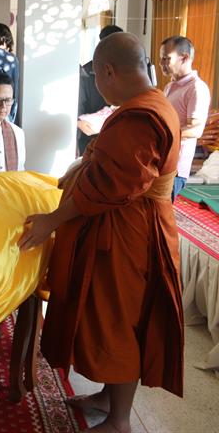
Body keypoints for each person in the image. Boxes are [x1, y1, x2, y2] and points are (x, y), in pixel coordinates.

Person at [18, 32, 183, 433]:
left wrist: (51, 221)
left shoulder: (142, 116)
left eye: (97, 78)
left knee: (119, 321)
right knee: (109, 314)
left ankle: (120, 420)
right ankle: (109, 397)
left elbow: (109, 185)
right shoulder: (150, 103)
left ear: (108, 71)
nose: (98, 88)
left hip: (131, 234)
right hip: (125, 225)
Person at [159, 36, 211, 200]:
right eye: (161, 59)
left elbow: (196, 129)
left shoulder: (196, 88)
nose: (162, 64)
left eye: (167, 59)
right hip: (161, 162)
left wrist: (163, 135)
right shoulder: (170, 86)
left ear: (185, 57)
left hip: (175, 168)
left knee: (160, 215)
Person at [77, 25, 123, 155]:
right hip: (91, 140)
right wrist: (79, 124)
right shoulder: (86, 72)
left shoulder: (126, 71)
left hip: (118, 138)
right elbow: (78, 109)